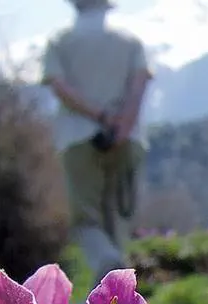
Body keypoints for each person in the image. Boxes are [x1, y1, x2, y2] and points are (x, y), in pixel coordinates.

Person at [42, 0, 152, 287]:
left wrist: (99, 116)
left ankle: (108, 271)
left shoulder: (60, 41)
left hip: (78, 138)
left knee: (87, 221)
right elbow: (139, 84)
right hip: (127, 138)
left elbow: (59, 87)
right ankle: (119, 291)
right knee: (118, 218)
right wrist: (122, 125)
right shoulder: (130, 41)